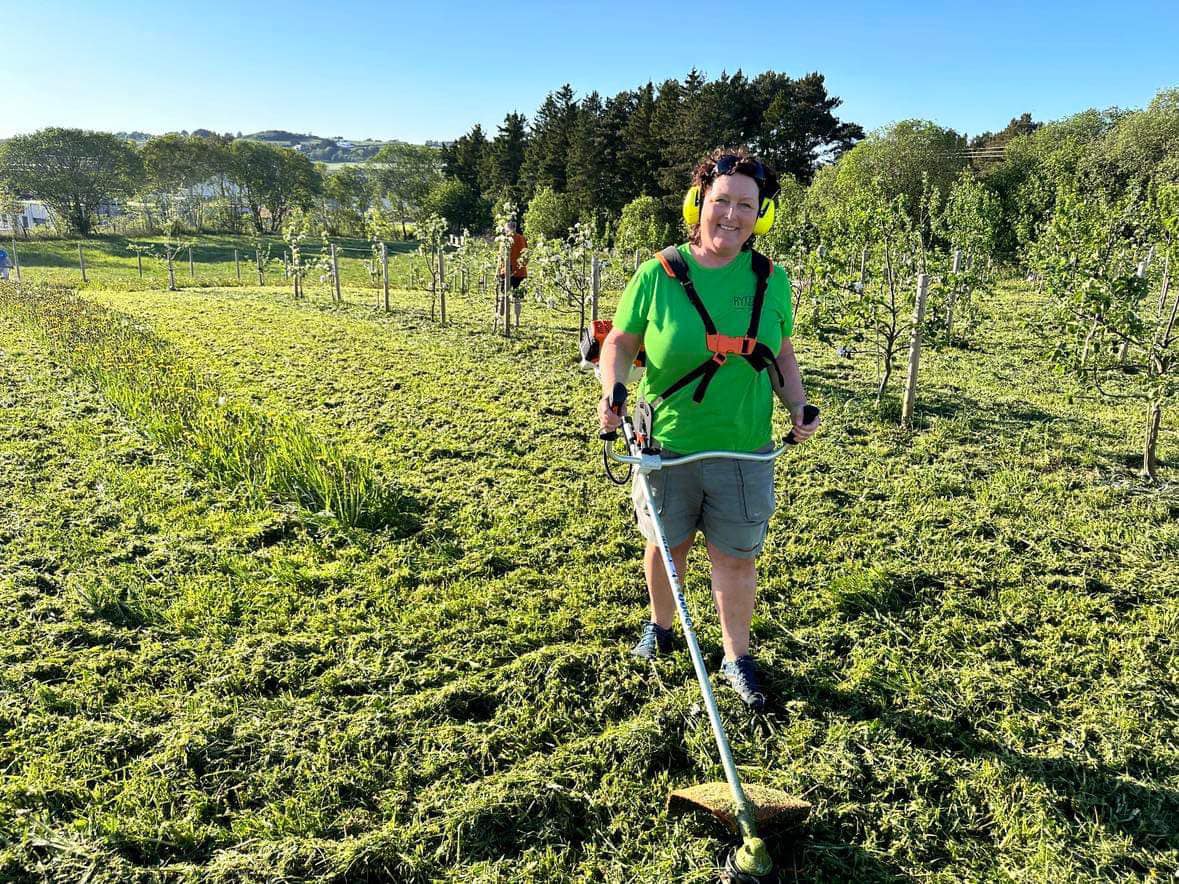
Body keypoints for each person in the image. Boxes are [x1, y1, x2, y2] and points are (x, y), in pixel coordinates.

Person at [597, 147, 820, 710]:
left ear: (761, 214)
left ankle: (735, 657)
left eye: (747, 204)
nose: (733, 214)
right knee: (666, 545)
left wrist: (797, 404)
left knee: (737, 556)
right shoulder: (658, 274)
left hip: (743, 449)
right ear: (699, 203)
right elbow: (620, 342)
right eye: (721, 201)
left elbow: (782, 354)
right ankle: (661, 627)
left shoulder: (773, 280)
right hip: (665, 442)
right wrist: (613, 390)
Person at [497, 220, 527, 322]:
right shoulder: (521, 238)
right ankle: (516, 321)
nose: (505, 230)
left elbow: (500, 257)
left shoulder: (504, 240)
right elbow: (525, 256)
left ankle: (501, 319)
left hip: (507, 271)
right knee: (517, 298)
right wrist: (521, 265)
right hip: (519, 272)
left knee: (503, 296)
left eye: (506, 228)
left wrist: (498, 271)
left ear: (509, 228)